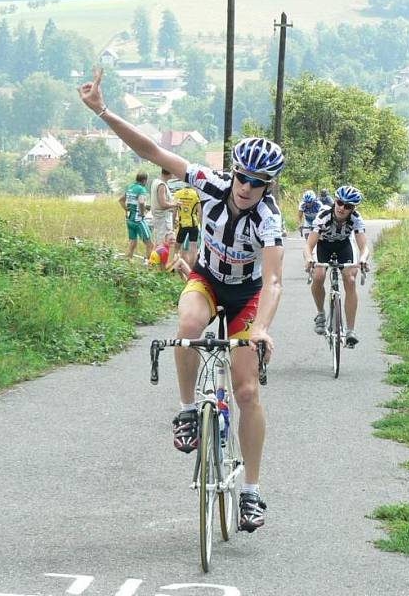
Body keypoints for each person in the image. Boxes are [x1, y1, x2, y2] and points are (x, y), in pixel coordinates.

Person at [80, 68, 284, 533]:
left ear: (268, 185)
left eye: (256, 181)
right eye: (241, 176)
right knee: (188, 327)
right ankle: (189, 408)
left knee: (247, 389)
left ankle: (250, 490)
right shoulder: (209, 184)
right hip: (209, 278)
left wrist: (261, 328)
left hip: (248, 295)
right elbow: (152, 151)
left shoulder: (269, 220)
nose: (245, 186)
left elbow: (273, 282)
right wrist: (103, 111)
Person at [303, 186, 370, 348]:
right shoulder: (323, 216)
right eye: (340, 203)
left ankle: (351, 331)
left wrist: (363, 259)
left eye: (348, 206)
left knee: (351, 279)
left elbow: (363, 246)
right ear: (335, 201)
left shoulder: (356, 219)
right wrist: (308, 258)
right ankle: (320, 314)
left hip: (343, 245)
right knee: (318, 276)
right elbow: (309, 246)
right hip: (323, 245)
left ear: (353, 209)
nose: (342, 208)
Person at [118, 171, 154, 261]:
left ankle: (128, 262)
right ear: (144, 180)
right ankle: (150, 266)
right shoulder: (141, 189)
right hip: (138, 220)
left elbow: (121, 200)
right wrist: (142, 213)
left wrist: (126, 209)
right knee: (150, 244)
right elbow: (141, 202)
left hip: (129, 219)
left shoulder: (130, 187)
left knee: (133, 243)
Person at [173, 182, 201, 268]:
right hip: (194, 224)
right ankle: (192, 268)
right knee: (193, 248)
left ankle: (173, 265)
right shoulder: (196, 194)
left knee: (176, 248)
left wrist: (173, 221)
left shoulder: (178, 194)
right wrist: (201, 224)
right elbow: (200, 213)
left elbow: (174, 211)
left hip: (182, 224)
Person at [150, 168, 178, 244]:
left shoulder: (156, 181)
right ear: (171, 173)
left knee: (158, 242)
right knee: (163, 243)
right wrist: (175, 204)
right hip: (163, 220)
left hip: (158, 218)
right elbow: (163, 204)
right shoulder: (161, 185)